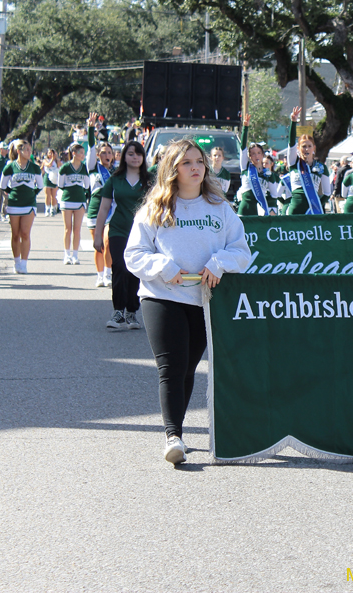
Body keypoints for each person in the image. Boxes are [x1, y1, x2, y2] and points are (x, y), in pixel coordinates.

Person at [124, 139, 251, 464]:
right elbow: (134, 255)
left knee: (188, 368)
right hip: (161, 296)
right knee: (171, 366)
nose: (196, 167)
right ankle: (173, 436)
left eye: (199, 161)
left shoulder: (220, 207)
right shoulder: (155, 207)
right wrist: (164, 268)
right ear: (173, 169)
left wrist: (218, 262)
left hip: (203, 299)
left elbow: (242, 251)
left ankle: (176, 429)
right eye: (186, 163)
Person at [93, 140, 152, 330]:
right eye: (131, 154)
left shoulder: (150, 181)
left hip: (141, 232)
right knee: (119, 266)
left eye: (139, 154)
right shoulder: (114, 180)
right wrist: (97, 234)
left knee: (135, 270)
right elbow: (103, 209)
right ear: (124, 156)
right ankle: (118, 311)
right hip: (118, 230)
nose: (135, 158)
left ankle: (132, 312)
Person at [55, 114, 99, 265]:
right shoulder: (65, 167)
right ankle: (66, 254)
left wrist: (91, 127)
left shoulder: (84, 168)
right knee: (68, 229)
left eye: (83, 152)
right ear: (73, 153)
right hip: (67, 200)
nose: (82, 154)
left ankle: (75, 255)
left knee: (77, 229)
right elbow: (61, 184)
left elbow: (86, 185)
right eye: (80, 152)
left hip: (80, 201)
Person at [0, 140, 44, 274]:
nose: (29, 152)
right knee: (15, 234)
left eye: (30, 150)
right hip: (14, 204)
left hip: (29, 204)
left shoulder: (34, 167)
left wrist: (32, 194)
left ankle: (24, 263)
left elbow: (40, 186)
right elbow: (3, 186)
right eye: (26, 150)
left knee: (25, 233)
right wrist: (13, 193)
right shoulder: (10, 166)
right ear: (18, 151)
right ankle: (17, 262)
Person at [285, 107, 331, 215]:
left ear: (314, 148)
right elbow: (291, 144)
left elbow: (327, 192)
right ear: (298, 148)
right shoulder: (294, 163)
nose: (306, 149)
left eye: (309, 146)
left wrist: (318, 204)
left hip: (313, 210)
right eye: (303, 146)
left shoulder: (321, 167)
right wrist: (293, 121)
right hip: (295, 209)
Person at [236, 115, 277, 216]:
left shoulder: (268, 173)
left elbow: (274, 194)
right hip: (245, 207)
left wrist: (272, 209)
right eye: (253, 153)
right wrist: (245, 127)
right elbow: (243, 149)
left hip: (260, 209)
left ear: (263, 155)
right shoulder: (246, 168)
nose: (256, 156)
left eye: (258, 153)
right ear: (249, 156)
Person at [88, 141, 115, 287]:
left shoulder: (116, 171)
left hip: (111, 211)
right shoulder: (93, 168)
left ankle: (107, 274)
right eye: (103, 152)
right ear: (98, 155)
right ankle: (99, 276)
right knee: (98, 245)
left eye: (109, 152)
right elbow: (90, 151)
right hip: (95, 210)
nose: (107, 155)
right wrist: (91, 130)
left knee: (108, 243)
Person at [40, 149, 61, 217]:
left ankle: (53, 209)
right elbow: (48, 165)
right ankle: (47, 209)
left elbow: (59, 166)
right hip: (47, 177)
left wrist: (56, 159)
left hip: (54, 178)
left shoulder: (57, 160)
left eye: (52, 153)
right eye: (49, 153)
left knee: (53, 195)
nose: (51, 154)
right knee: (47, 195)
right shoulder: (45, 160)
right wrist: (52, 159)